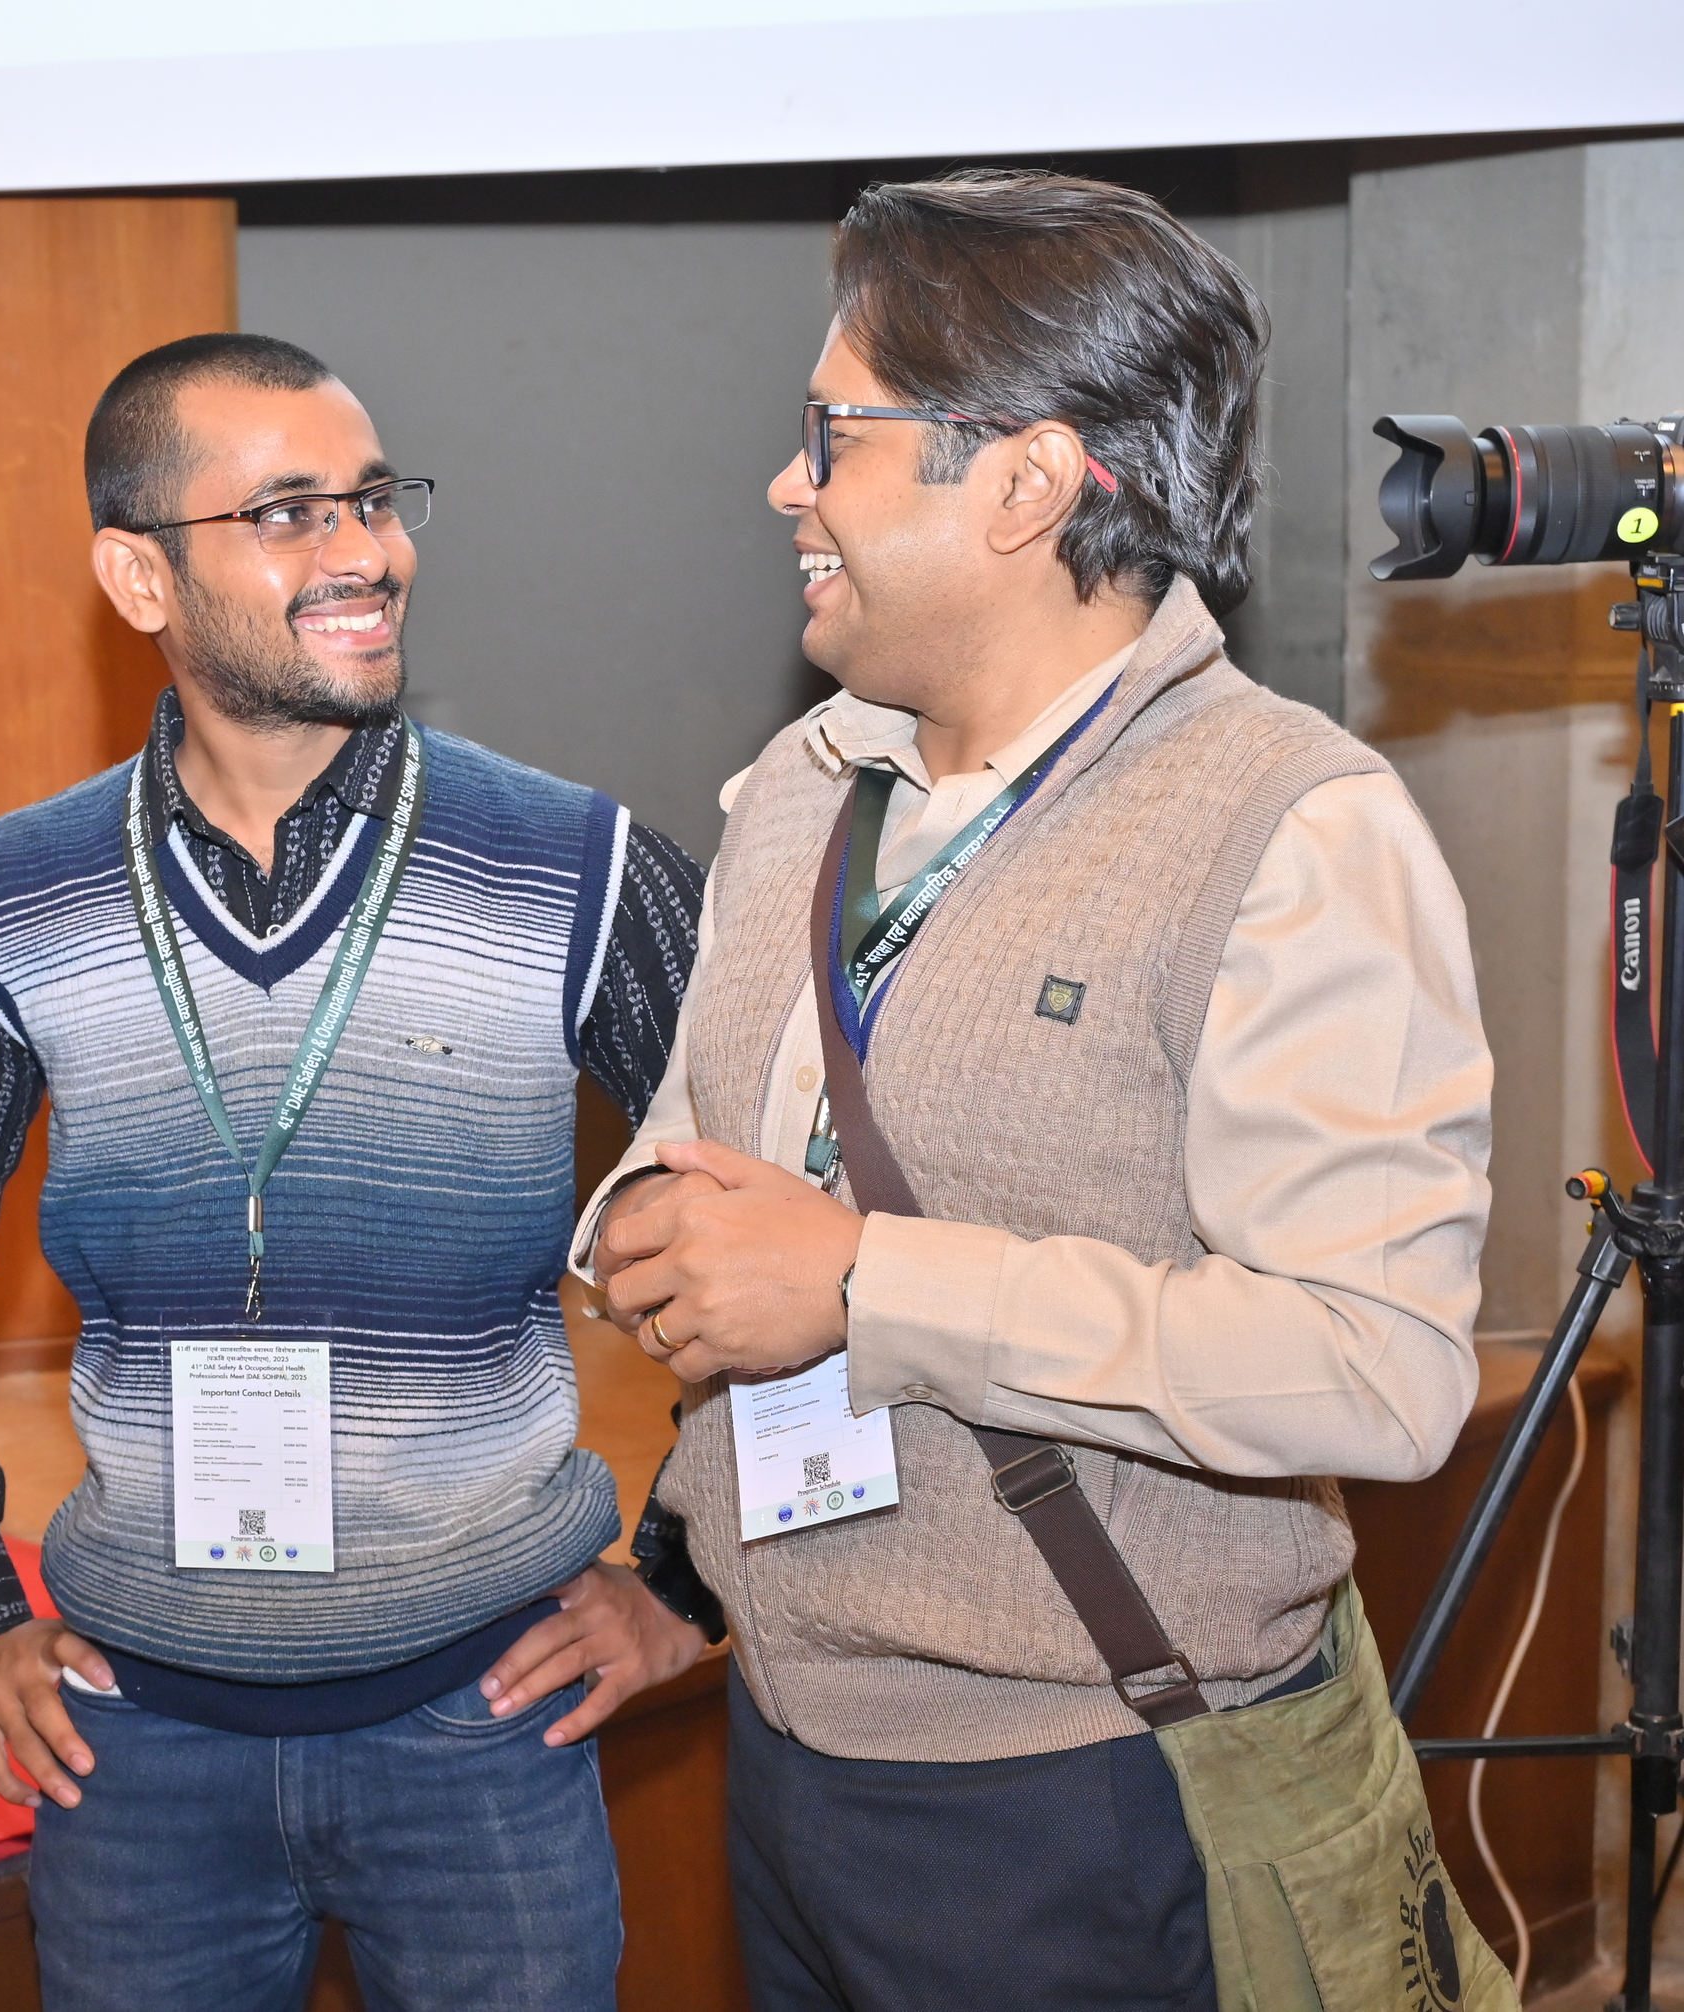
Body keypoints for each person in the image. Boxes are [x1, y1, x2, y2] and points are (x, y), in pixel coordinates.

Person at [584, 170, 1494, 2011]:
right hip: (789, 1753)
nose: (784, 487)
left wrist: (866, 1284)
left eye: (832, 436)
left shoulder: (1288, 828)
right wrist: (649, 1223)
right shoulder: (797, 789)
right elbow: (696, 1145)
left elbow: (1377, 1367)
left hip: (1093, 1796)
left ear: (1022, 481)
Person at [0, 332, 718, 2012]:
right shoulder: (11, 891)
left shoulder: (571, 860)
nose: (364, 551)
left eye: (372, 500)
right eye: (287, 512)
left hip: (489, 1718)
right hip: (134, 1751)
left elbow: (792, 1213)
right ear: (136, 577)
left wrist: (687, 1576)